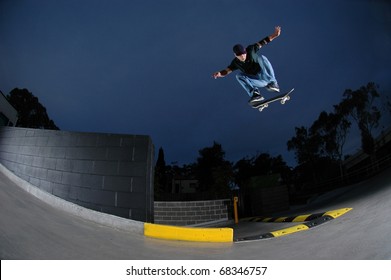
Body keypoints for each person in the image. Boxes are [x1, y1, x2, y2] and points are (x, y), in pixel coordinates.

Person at [212, 26, 282, 104]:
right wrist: (219, 73)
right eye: (239, 55)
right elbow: (227, 71)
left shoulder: (251, 49)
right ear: (235, 55)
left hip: (265, 74)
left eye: (243, 53)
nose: (242, 56)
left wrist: (275, 35)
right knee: (239, 76)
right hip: (259, 81)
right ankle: (255, 94)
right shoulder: (236, 63)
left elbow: (263, 41)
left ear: (245, 51)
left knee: (262, 57)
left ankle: (273, 83)